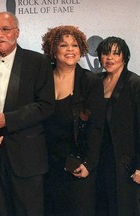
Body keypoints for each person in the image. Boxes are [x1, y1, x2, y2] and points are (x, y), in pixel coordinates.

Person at [0, 11, 54, 216]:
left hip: (28, 157)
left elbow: (45, 105)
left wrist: (7, 120)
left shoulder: (37, 62)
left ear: (16, 32)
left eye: (5, 29)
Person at [41, 25, 105, 216]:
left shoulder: (89, 81)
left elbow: (96, 126)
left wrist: (89, 163)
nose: (70, 49)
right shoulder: (42, 78)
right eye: (63, 45)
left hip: (78, 164)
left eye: (75, 45)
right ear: (53, 50)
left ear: (82, 49)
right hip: (47, 166)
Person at [95, 36, 140, 216]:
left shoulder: (134, 83)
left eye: (115, 53)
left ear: (125, 57)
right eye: (105, 53)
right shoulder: (96, 81)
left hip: (125, 162)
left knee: (124, 208)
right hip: (100, 158)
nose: (109, 58)